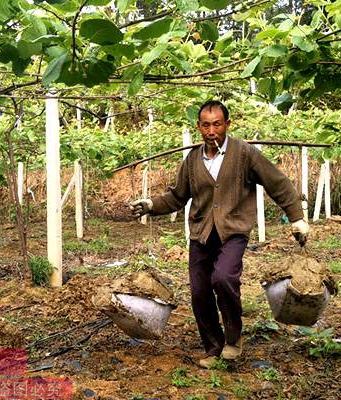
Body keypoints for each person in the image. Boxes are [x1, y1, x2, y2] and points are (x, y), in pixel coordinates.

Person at [129, 100, 309, 368]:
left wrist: (297, 217)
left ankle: (233, 340)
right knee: (200, 291)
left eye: (217, 124)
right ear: (199, 127)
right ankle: (213, 346)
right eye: (205, 125)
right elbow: (177, 197)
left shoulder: (244, 154)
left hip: (233, 231)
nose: (211, 130)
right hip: (201, 233)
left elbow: (277, 182)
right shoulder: (192, 159)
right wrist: (151, 205)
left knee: (224, 278)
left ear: (227, 124)